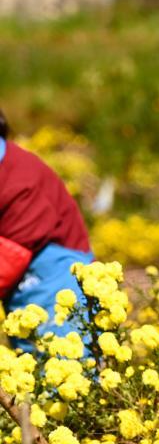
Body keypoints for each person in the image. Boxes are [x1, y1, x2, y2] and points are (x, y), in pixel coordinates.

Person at [0, 108, 94, 349]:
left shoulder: (21, 181)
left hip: (56, 279)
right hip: (21, 287)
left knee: (63, 362)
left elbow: (7, 260)